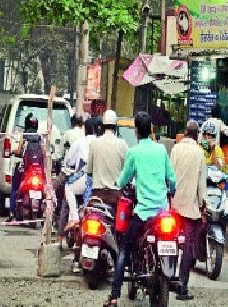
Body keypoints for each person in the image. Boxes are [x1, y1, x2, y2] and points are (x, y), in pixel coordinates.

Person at [104, 112, 176, 307]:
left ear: (136, 131)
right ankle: (175, 276)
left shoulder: (134, 152)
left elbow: (124, 179)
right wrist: (172, 189)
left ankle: (114, 295)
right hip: (161, 212)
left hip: (143, 212)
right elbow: (172, 178)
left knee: (125, 247)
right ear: (152, 129)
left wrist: (117, 183)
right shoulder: (161, 151)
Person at [170, 120, 206, 300]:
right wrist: (202, 206)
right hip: (191, 210)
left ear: (185, 132)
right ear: (197, 134)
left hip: (174, 207)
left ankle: (169, 278)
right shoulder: (199, 153)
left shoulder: (176, 149)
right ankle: (183, 286)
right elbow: (201, 185)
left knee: (172, 244)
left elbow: (169, 176)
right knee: (188, 248)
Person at [6, 114, 43, 222]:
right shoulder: (40, 136)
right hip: (37, 169)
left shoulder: (24, 135)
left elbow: (18, 151)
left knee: (14, 188)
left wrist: (13, 152)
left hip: (25, 168)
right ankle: (45, 213)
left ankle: (12, 212)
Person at [64, 119, 99, 230]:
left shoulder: (80, 142)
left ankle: (74, 218)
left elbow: (68, 160)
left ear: (85, 129)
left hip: (85, 179)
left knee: (68, 187)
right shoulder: (100, 142)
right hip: (100, 182)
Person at [87, 110, 128, 206]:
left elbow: (89, 171)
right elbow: (126, 170)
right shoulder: (122, 144)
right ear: (115, 126)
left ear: (102, 125)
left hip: (96, 195)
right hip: (115, 196)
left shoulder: (94, 143)